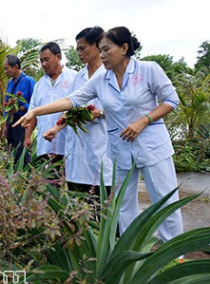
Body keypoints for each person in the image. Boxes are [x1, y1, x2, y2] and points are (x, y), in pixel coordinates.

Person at [14, 26, 183, 242]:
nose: (102, 55)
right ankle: (126, 251)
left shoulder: (148, 70)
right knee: (123, 203)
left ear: (123, 48)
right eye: (100, 50)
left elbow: (171, 100)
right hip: (121, 148)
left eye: (106, 50)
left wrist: (143, 121)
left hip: (152, 146)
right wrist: (36, 111)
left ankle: (174, 253)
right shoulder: (101, 80)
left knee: (164, 199)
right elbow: (73, 100)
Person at [43, 27, 112, 197]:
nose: (79, 53)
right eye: (77, 49)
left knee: (103, 204)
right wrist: (56, 129)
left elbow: (115, 107)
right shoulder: (79, 77)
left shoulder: (109, 74)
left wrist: (97, 112)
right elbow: (71, 106)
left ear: (97, 46)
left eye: (82, 48)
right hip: (77, 152)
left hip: (101, 146)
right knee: (79, 204)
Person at [26, 42, 76, 171]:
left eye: (47, 59)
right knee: (49, 186)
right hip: (45, 145)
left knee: (68, 184)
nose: (43, 64)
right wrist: (27, 137)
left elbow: (78, 108)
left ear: (58, 57)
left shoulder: (74, 78)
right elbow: (33, 113)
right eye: (41, 61)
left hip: (68, 143)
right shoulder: (39, 85)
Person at [3, 54, 36, 166]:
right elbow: (6, 104)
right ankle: (15, 176)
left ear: (15, 66)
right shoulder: (10, 83)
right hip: (11, 121)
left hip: (22, 121)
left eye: (7, 68)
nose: (5, 71)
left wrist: (23, 107)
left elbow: (36, 102)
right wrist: (4, 123)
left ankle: (26, 177)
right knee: (12, 150)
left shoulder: (28, 81)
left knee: (22, 151)